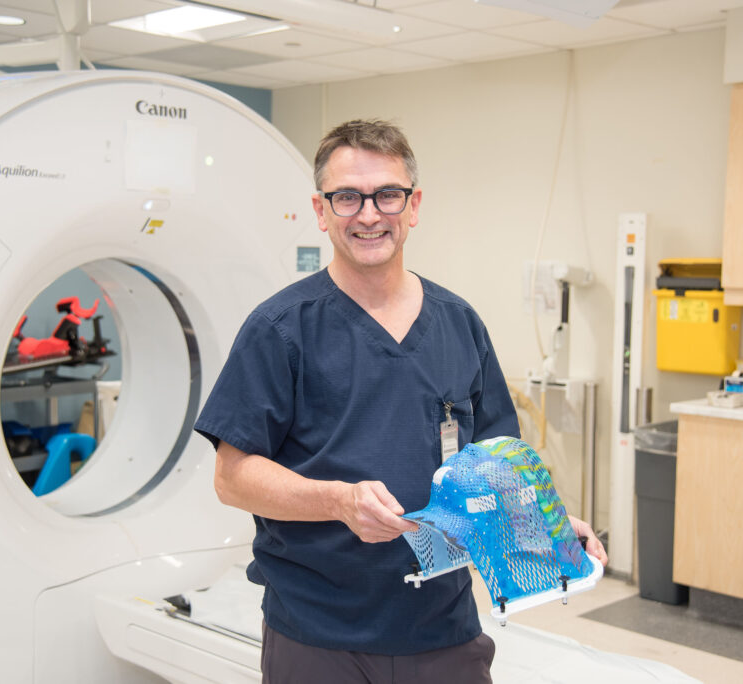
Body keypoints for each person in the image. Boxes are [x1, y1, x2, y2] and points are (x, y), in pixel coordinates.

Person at [194, 119, 607, 683]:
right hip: (318, 634)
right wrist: (338, 501)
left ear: (413, 206)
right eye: (347, 197)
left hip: (442, 629)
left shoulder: (459, 324)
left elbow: (495, 469)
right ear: (321, 210)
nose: (369, 214)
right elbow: (232, 477)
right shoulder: (280, 329)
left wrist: (553, 527)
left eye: (387, 194)